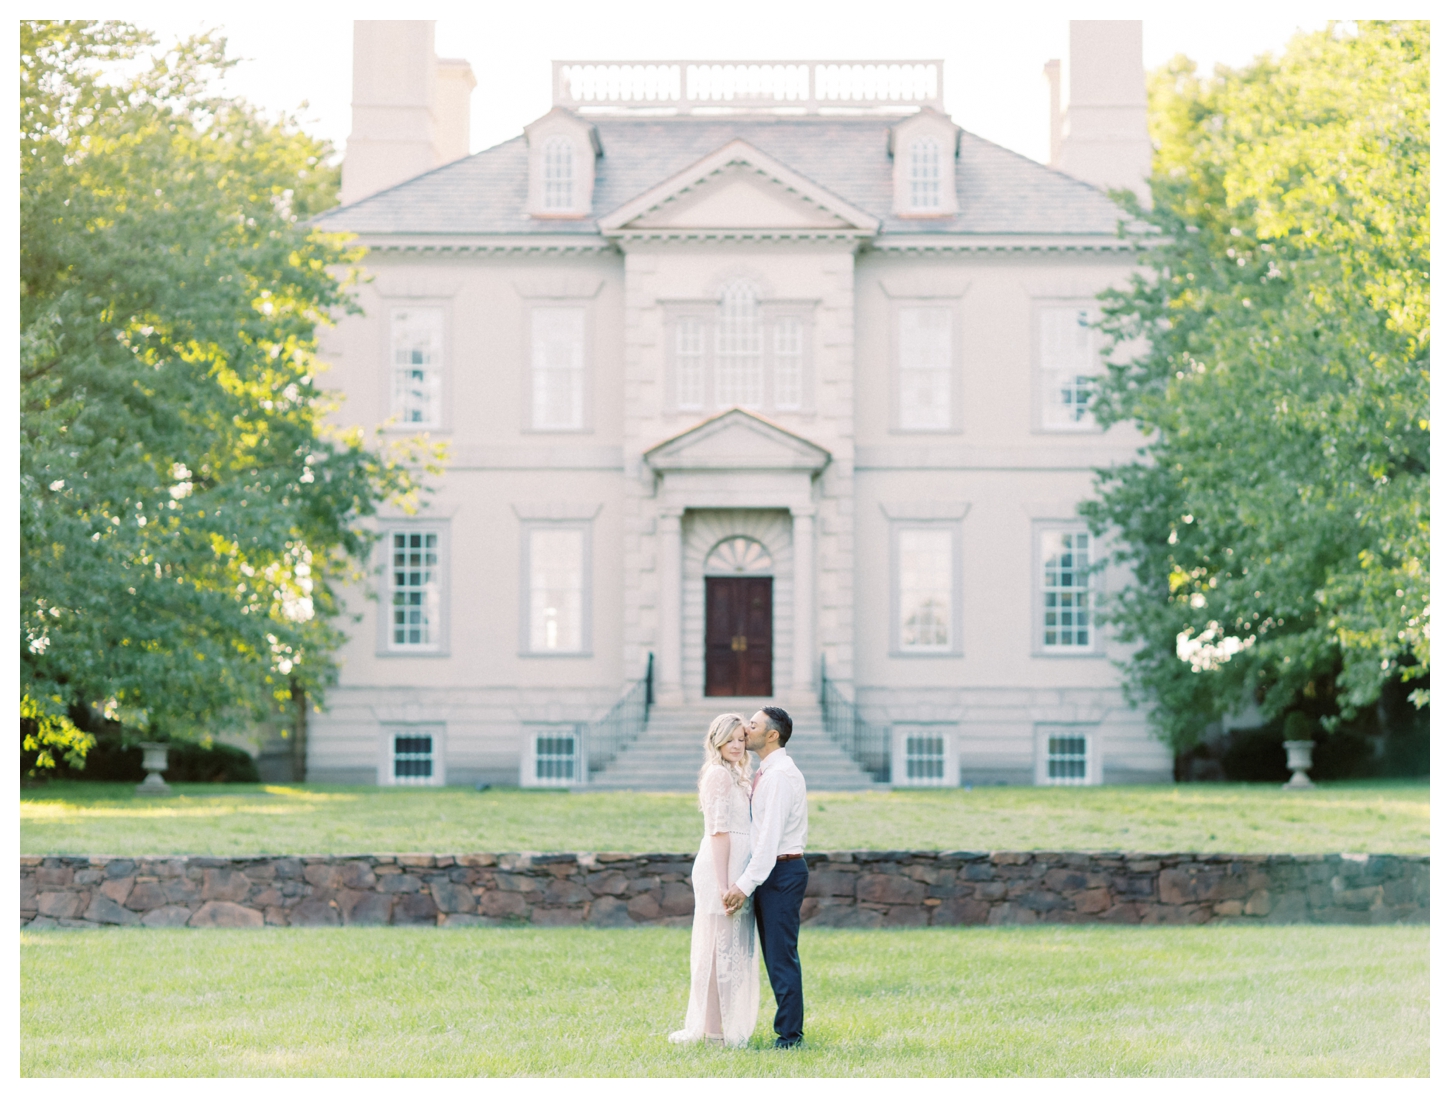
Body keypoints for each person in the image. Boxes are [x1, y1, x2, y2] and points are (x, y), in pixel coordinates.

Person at [668, 713, 760, 1048]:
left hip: (738, 868)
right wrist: (723, 884)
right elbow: (718, 832)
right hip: (720, 869)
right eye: (730, 739)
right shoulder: (718, 775)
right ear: (717, 741)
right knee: (718, 953)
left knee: (731, 953)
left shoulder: (737, 774)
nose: (737, 745)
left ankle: (721, 1026)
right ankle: (712, 1031)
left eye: (741, 739)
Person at [723, 706, 809, 1049]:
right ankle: (787, 1030)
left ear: (772, 735)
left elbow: (769, 840)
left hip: (781, 871)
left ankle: (789, 1037)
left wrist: (743, 886)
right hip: (773, 870)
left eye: (754, 724)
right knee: (776, 955)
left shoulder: (778, 776)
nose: (746, 728)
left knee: (780, 956)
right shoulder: (766, 771)